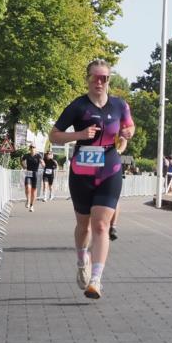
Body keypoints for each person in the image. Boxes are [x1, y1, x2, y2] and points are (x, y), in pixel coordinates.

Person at [49, 58, 135, 300]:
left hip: (109, 168)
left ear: (109, 80)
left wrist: (128, 132)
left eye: (104, 78)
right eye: (95, 77)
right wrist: (79, 134)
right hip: (82, 172)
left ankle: (96, 280)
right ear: (87, 79)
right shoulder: (78, 106)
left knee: (101, 225)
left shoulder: (119, 105)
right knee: (83, 225)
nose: (99, 82)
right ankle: (81, 260)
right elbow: (53, 135)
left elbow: (129, 128)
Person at [21, 144, 42, 211]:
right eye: (31, 147)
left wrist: (43, 164)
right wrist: (24, 166)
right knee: (28, 187)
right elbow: (22, 161)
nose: (32, 148)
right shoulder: (26, 155)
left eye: (33, 147)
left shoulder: (38, 155)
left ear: (36, 148)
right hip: (28, 173)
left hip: (35, 174)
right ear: (29, 148)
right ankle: (28, 200)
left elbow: (43, 162)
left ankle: (32, 205)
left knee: (33, 190)